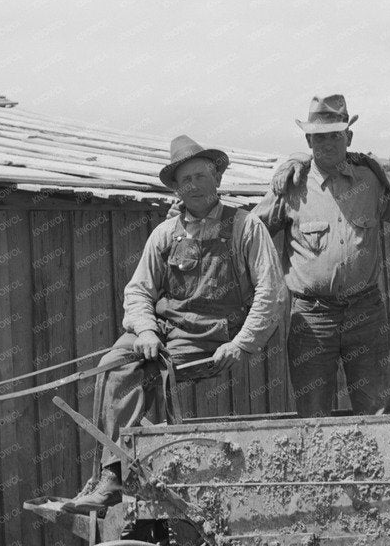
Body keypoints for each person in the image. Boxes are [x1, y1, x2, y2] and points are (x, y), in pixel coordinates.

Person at [65, 135, 286, 512]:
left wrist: (242, 342)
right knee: (110, 365)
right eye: (186, 180)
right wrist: (147, 330)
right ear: (177, 188)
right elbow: (138, 291)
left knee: (144, 371)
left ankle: (125, 473)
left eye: (201, 176)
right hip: (166, 329)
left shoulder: (245, 227)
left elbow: (272, 292)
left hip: (213, 334)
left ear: (217, 178)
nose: (195, 186)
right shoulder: (166, 235)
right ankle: (112, 475)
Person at [253, 95, 390, 417]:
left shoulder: (371, 179)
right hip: (312, 317)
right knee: (313, 413)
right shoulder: (291, 185)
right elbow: (248, 233)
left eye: (336, 134)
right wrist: (193, 217)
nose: (328, 142)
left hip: (365, 311)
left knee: (375, 409)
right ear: (308, 139)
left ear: (348, 137)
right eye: (319, 136)